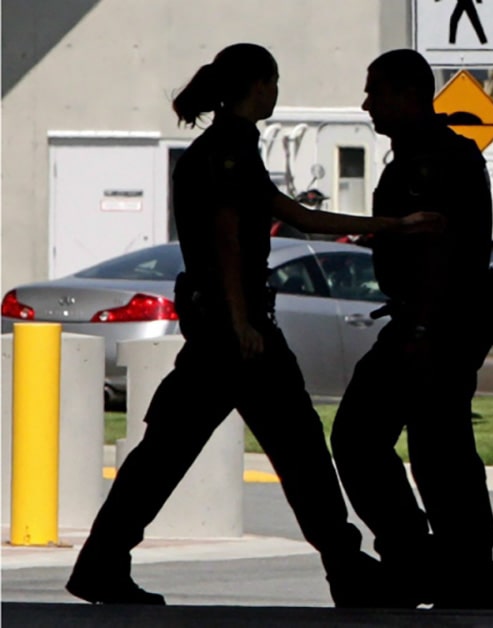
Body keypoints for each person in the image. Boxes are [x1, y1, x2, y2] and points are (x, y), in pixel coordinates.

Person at [65, 43, 439, 607]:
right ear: (258, 86)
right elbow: (227, 238)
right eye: (275, 81)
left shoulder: (221, 150)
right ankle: (346, 570)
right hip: (238, 337)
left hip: (223, 334)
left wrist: (390, 225)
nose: (277, 91)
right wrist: (242, 322)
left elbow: (298, 216)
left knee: (176, 452)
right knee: (295, 451)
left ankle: (102, 562)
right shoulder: (229, 152)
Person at [330, 49, 493, 610]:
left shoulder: (434, 159)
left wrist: (423, 329)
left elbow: (441, 249)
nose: (366, 104)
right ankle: (441, 565)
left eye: (375, 92)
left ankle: (450, 567)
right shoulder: (418, 152)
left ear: (407, 95)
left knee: (416, 448)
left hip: (437, 324)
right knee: (426, 447)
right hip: (427, 321)